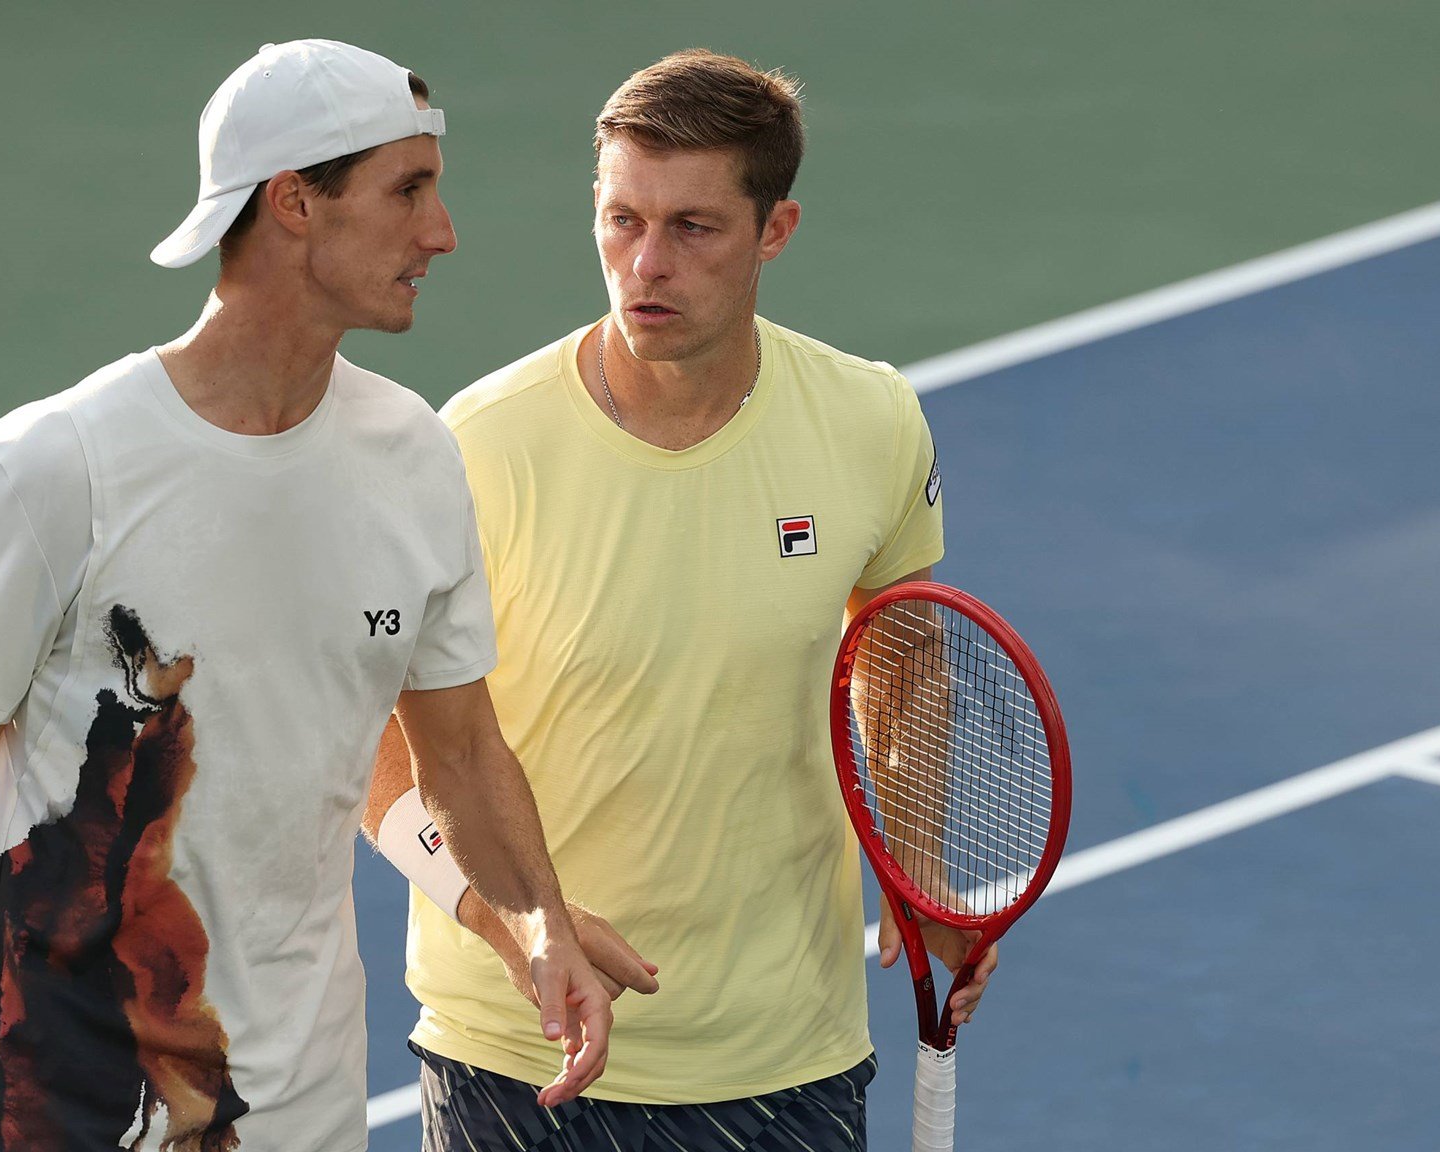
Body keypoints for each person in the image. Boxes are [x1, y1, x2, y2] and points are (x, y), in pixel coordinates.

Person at [0, 39, 616, 1152]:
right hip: (82, 1097)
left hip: (305, 1091)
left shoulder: (412, 456)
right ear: (294, 203)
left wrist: (536, 923)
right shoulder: (54, 469)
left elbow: (460, 754)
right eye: (408, 191)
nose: (439, 232)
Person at [365, 50, 998, 1150]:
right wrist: (517, 925)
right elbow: (369, 748)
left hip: (781, 1052)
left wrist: (917, 863)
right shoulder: (472, 446)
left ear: (776, 230)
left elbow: (897, 657)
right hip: (518, 1056)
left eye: (693, 228)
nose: (644, 264)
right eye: (620, 219)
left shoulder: (871, 422)